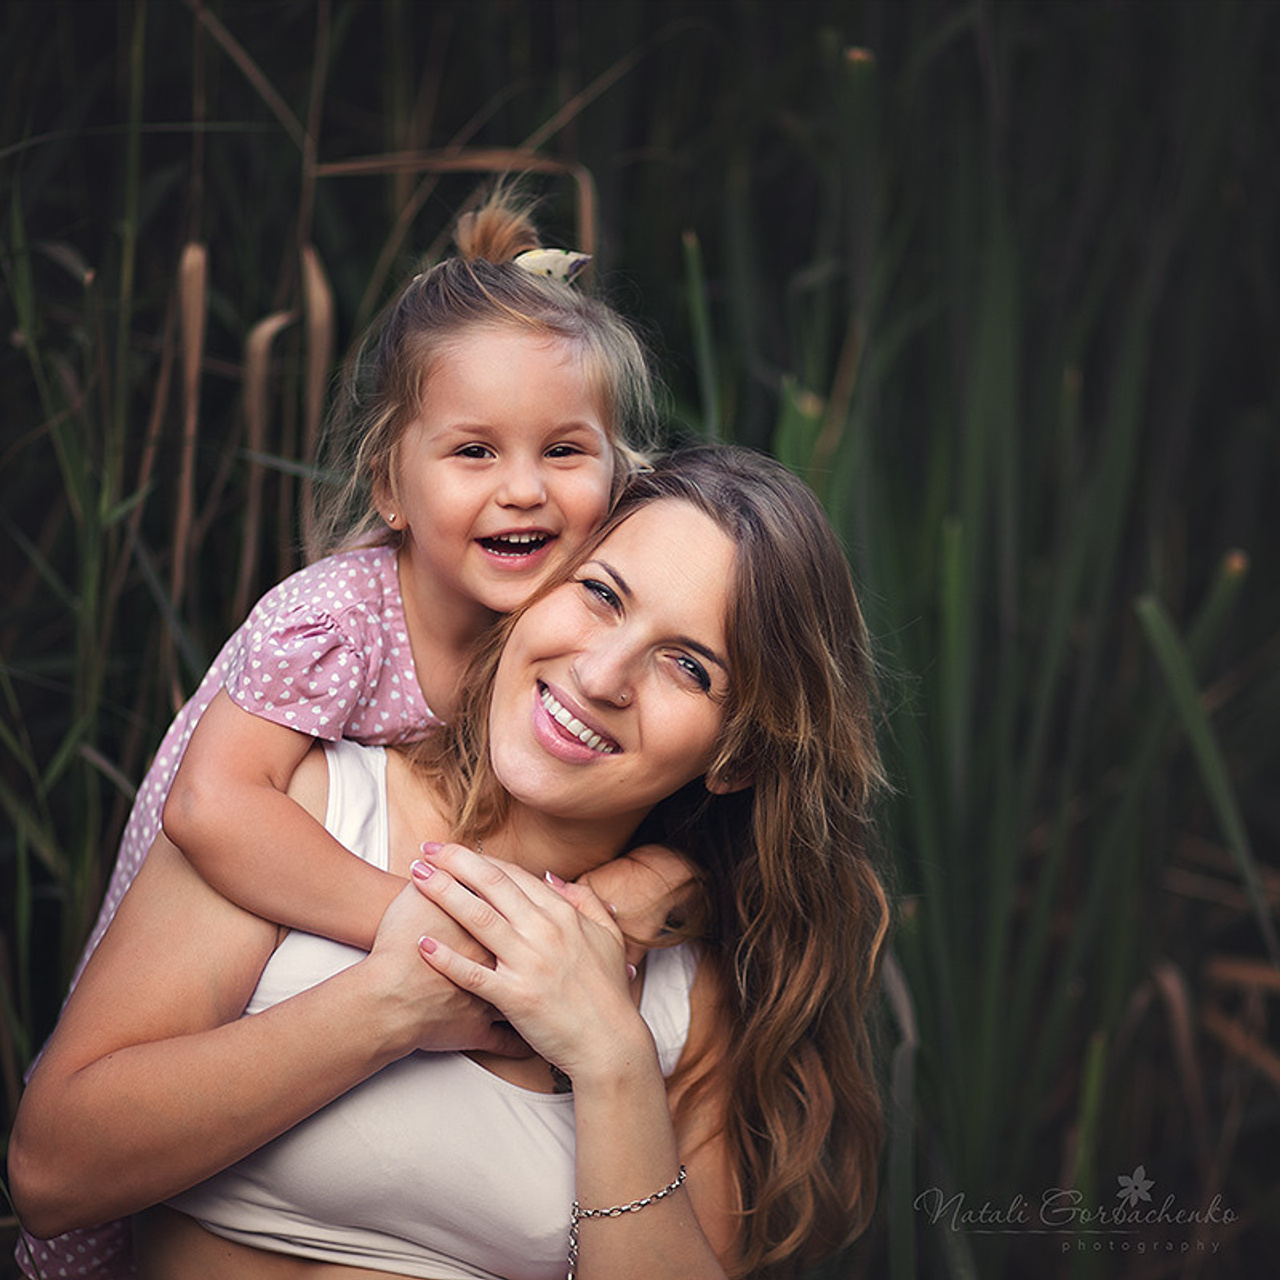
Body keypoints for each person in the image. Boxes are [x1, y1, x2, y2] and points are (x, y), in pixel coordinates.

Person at [10, 447, 891, 1280]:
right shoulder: (299, 817)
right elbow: (51, 1175)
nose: (601, 673)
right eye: (600, 594)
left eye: (689, 668)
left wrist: (612, 1056)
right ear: (534, 585)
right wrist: (391, 1005)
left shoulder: (683, 998)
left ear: (735, 756)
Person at [19, 187, 680, 1280]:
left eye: (564, 449)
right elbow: (214, 806)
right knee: (95, 1222)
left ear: (617, 480)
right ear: (389, 485)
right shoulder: (336, 615)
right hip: (206, 891)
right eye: (473, 452)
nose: (522, 487)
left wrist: (649, 876)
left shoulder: (552, 642)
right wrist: (420, 935)